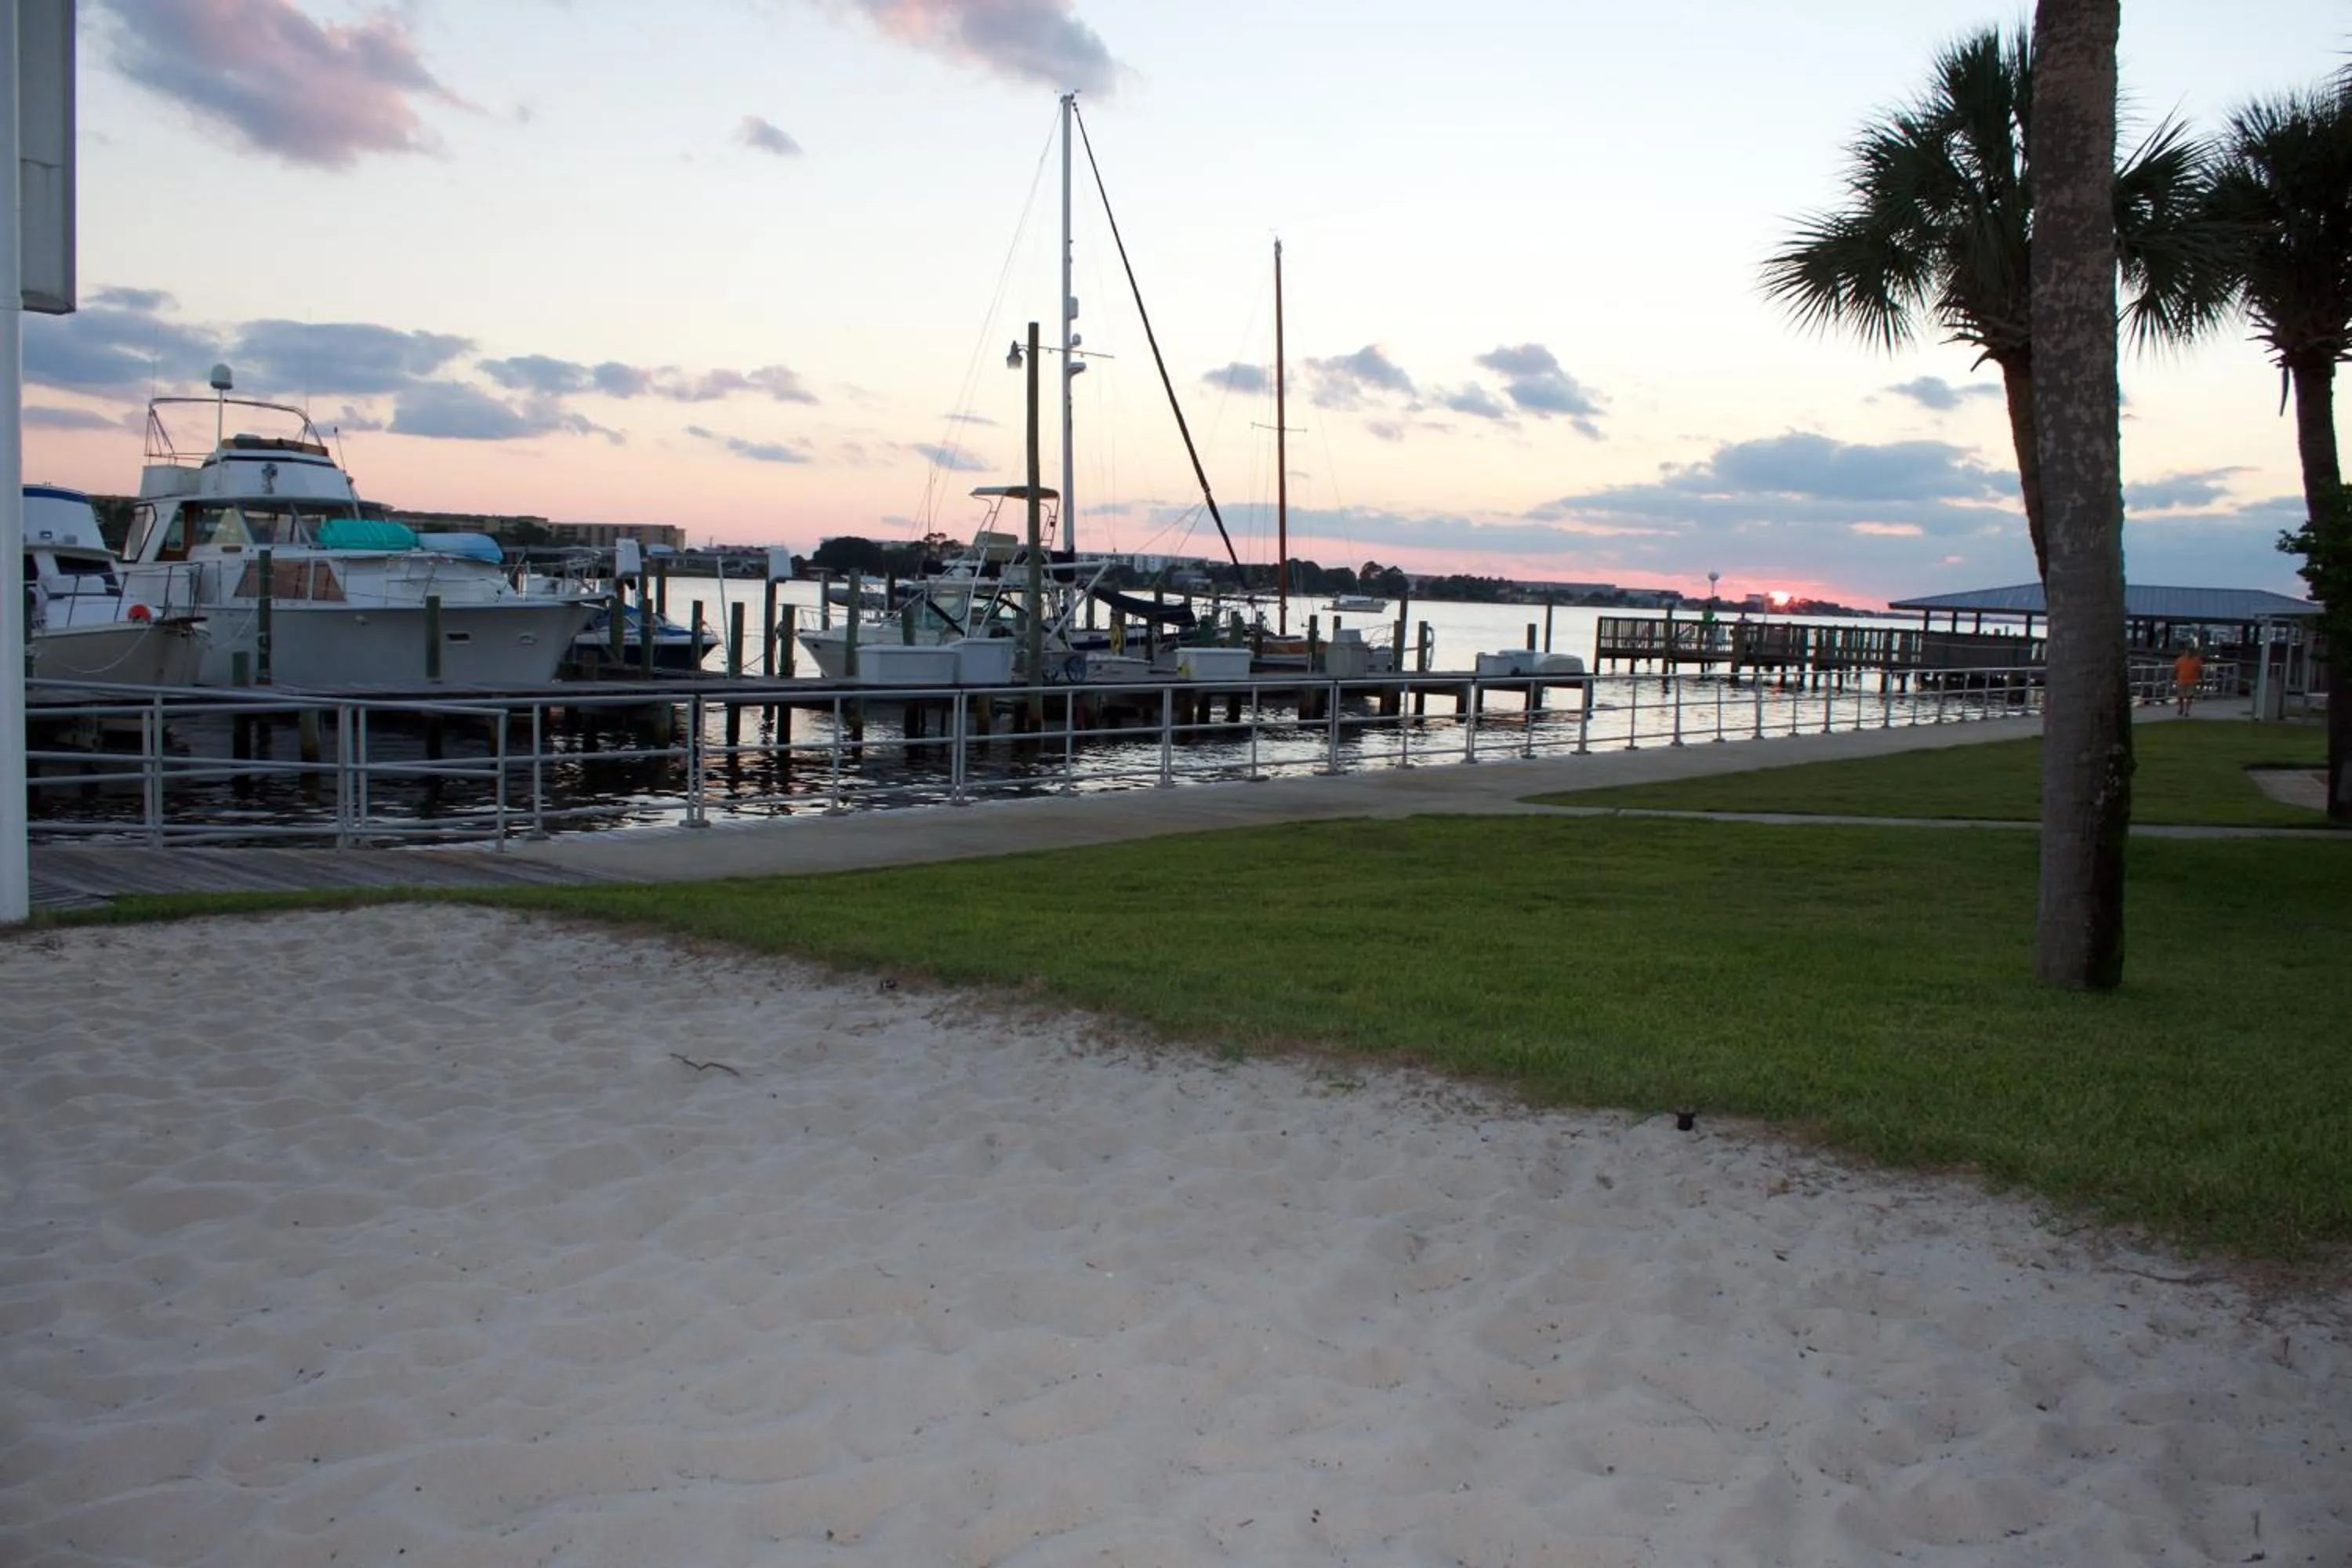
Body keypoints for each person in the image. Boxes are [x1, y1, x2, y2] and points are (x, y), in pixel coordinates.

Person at [2173, 644, 2204, 717]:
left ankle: (2187, 711)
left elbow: (2200, 671)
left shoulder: (2197, 660)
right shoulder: (2180, 659)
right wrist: (2174, 679)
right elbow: (2175, 670)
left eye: (2191, 652)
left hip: (2192, 681)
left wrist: (2202, 680)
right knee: (2181, 696)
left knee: (2189, 696)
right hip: (2181, 680)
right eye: (2188, 651)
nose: (2189, 653)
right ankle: (2181, 708)